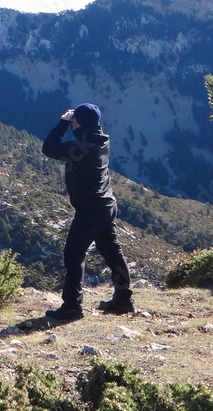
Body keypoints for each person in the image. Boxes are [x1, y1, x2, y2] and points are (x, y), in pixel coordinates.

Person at [41, 103, 133, 320]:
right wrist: (76, 121)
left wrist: (63, 123)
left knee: (74, 254)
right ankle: (124, 299)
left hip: (91, 208)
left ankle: (72, 306)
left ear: (78, 122)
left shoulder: (80, 147)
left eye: (74, 120)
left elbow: (49, 148)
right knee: (112, 253)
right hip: (106, 204)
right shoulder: (101, 139)